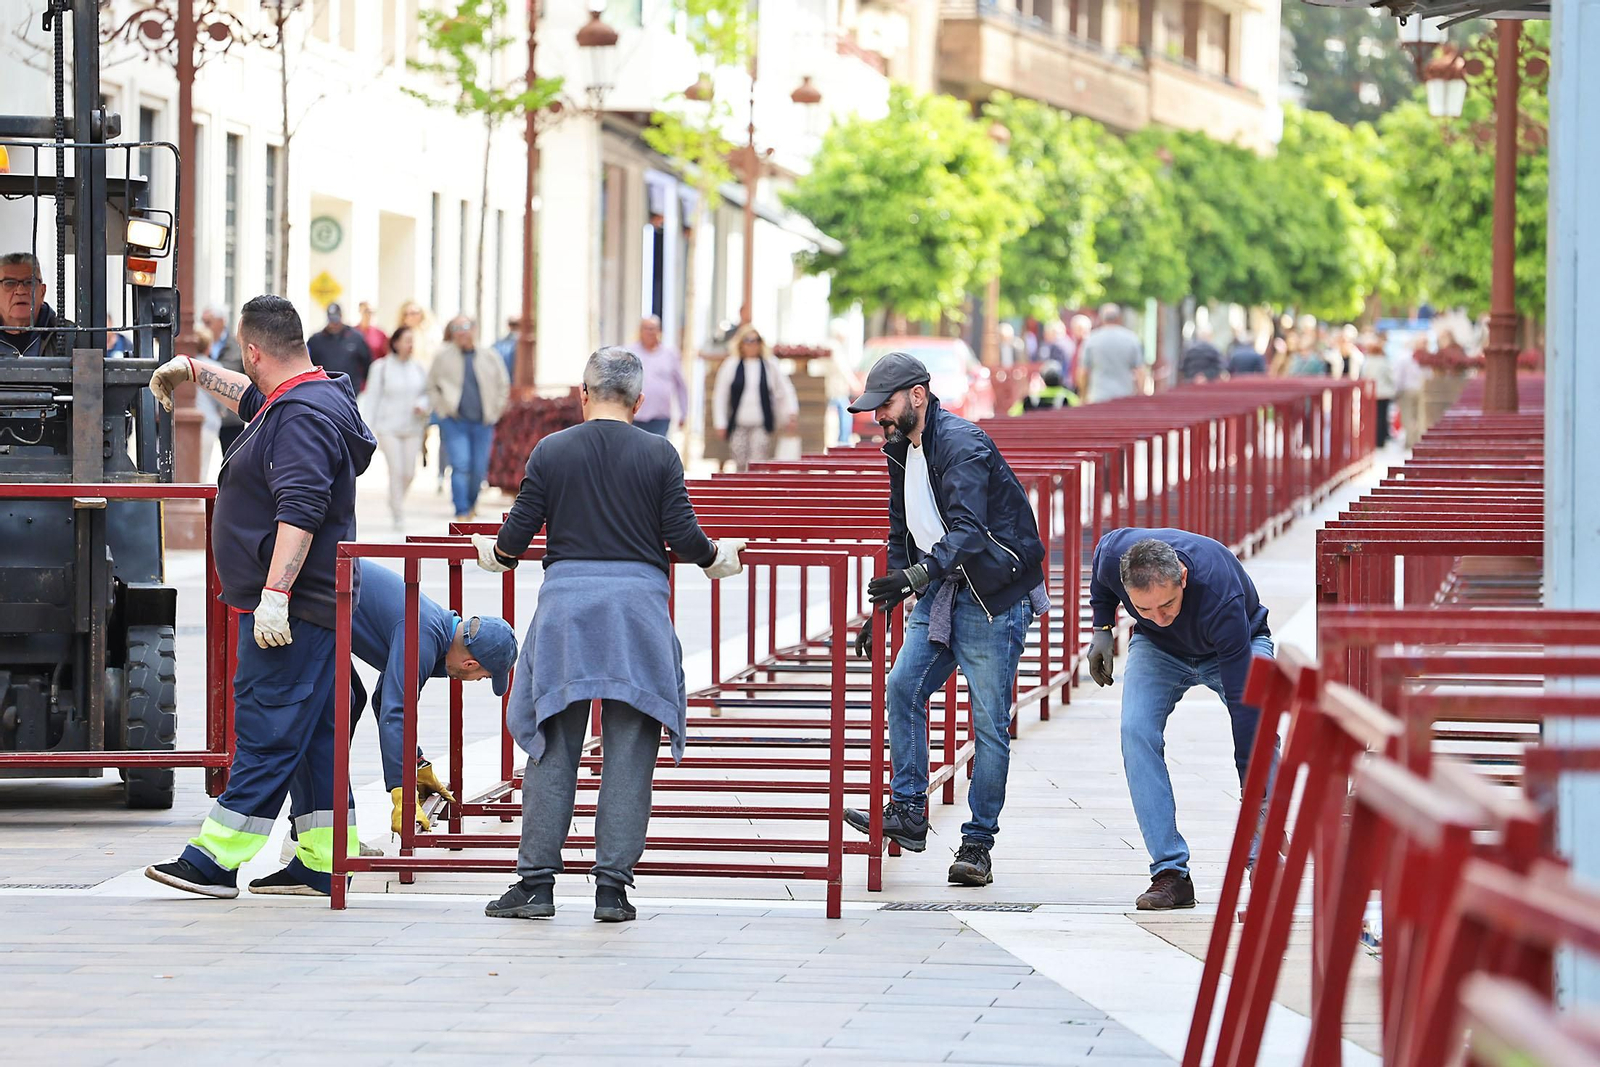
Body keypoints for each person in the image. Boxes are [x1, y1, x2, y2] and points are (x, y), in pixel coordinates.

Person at [473, 346, 746, 923]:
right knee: (629, 753)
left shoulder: (552, 451)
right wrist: (720, 556)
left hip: (567, 612)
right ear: (640, 401)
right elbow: (686, 537)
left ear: (583, 393)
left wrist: (492, 554)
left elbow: (514, 540)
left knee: (552, 745)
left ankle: (536, 886)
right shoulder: (659, 454)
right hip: (637, 614)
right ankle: (612, 891)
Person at [143, 294, 376, 898]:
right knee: (317, 733)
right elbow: (253, 398)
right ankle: (327, 858)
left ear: (252, 350)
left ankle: (216, 859)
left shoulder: (299, 416)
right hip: (311, 606)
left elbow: (301, 509)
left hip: (291, 610)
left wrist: (275, 594)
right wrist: (194, 369)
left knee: (269, 726)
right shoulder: (306, 398)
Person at [840, 353, 1049, 888]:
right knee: (903, 688)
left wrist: (914, 579)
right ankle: (909, 810)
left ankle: (978, 845)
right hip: (945, 588)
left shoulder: (961, 443)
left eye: (883, 406)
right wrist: (883, 604)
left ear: (917, 395)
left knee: (988, 724)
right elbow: (900, 531)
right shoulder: (898, 451)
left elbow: (968, 530)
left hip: (993, 595)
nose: (877, 419)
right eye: (872, 411)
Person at [267, 562, 518, 885]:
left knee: (350, 700)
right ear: (470, 662)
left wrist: (416, 763)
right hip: (299, 604)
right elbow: (395, 711)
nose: (477, 679)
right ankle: (302, 837)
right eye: (482, 676)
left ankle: (322, 835)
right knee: (325, 715)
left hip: (314, 603)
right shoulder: (423, 635)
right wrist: (402, 792)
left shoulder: (434, 627)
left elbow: (384, 699)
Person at [1085, 530, 1274, 911]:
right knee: (1135, 731)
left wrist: (1252, 788)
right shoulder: (1112, 555)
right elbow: (1101, 584)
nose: (1160, 616)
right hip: (1158, 649)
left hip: (1235, 645)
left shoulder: (1220, 595)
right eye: (1145, 610)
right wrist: (1102, 628)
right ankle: (1170, 873)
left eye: (1167, 605)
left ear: (1183, 578)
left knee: (1261, 724)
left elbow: (1242, 702)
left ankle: (1263, 858)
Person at [428, 316, 509, 522]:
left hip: (483, 422)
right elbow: (431, 386)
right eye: (457, 328)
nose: (462, 333)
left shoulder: (490, 356)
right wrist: (442, 409)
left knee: (478, 468)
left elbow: (503, 385)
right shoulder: (443, 357)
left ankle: (472, 504)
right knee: (461, 464)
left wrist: (495, 411)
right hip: (455, 421)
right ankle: (461, 510)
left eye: (466, 328)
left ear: (474, 330)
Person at [361, 324, 432, 529]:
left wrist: (423, 405)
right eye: (407, 340)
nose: (411, 345)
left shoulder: (418, 368)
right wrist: (368, 428)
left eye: (412, 341)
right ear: (396, 343)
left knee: (409, 472)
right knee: (396, 469)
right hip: (388, 427)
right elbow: (372, 398)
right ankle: (398, 513)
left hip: (413, 427)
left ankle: (395, 500)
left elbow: (427, 394)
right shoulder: (381, 368)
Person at [711, 323, 798, 473]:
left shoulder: (770, 364)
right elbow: (721, 395)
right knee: (739, 460)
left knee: (758, 461)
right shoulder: (731, 365)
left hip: (761, 423)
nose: (752, 345)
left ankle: (756, 492)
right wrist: (720, 422)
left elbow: (785, 390)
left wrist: (790, 412)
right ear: (741, 343)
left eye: (755, 341)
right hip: (738, 423)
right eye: (748, 341)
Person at [625, 315, 688, 437]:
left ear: (659, 331)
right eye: (646, 328)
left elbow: (681, 385)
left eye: (652, 328)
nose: (649, 332)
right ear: (640, 331)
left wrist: (683, 412)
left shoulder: (670, 354)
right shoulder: (629, 353)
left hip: (660, 418)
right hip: (634, 416)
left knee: (657, 453)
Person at [1077, 304, 1147, 403]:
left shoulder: (1091, 340)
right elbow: (1140, 371)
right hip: (1125, 396)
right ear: (1119, 318)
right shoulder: (1132, 339)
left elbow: (1083, 371)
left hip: (1098, 397)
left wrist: (1083, 396)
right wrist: (1140, 394)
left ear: (1101, 319)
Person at [1, 251, 66, 357]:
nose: (20, 291)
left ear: (42, 292)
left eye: (29, 282)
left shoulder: (68, 335)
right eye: (9, 283)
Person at [201, 304, 247, 453]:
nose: (204, 326)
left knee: (233, 460)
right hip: (205, 414)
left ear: (221, 322)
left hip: (230, 416)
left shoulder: (236, 346)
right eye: (203, 322)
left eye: (208, 322)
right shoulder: (199, 344)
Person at [307, 303, 374, 394]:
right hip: (324, 391)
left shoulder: (356, 337)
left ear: (341, 316)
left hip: (351, 392)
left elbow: (367, 364)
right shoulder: (315, 340)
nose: (334, 324)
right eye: (332, 320)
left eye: (336, 320)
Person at [1359, 331, 1396, 447]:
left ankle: (1372, 439)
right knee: (1382, 416)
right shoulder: (1383, 362)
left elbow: (1364, 376)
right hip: (1383, 393)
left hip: (1372, 393)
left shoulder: (1367, 362)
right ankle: (1381, 439)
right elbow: (1390, 377)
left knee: (1373, 417)